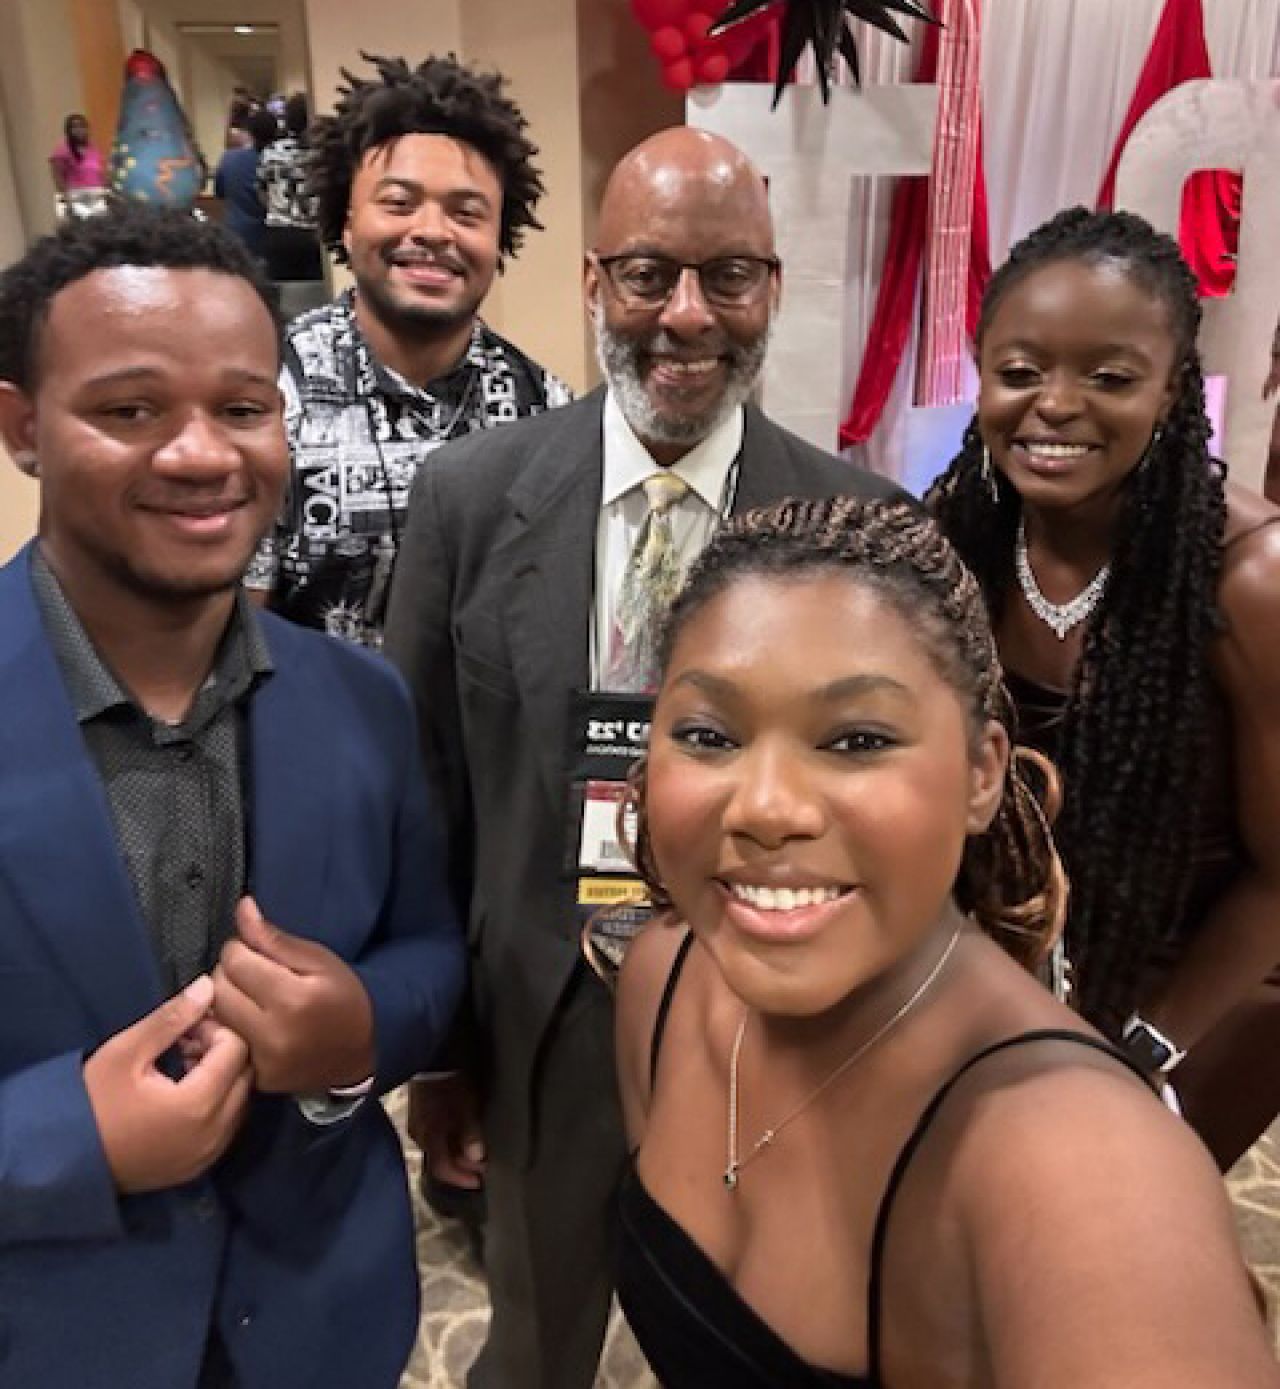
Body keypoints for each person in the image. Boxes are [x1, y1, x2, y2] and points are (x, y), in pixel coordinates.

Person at [383, 126, 904, 1389]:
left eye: (727, 276)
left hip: (768, 1016)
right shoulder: (467, 498)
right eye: (648, 274)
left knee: (762, 1338)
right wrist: (446, 1051)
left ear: (771, 290)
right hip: (541, 1012)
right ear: (591, 282)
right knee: (536, 1339)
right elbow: (427, 792)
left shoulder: (862, 526)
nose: (685, 316)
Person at [614, 493, 1279, 1388]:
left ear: (981, 772)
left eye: (856, 738)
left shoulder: (1090, 1180)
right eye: (708, 734)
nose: (767, 806)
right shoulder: (660, 977)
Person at [0, 204, 464, 1388]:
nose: (202, 452)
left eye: (244, 408)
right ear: (23, 429)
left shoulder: (364, 699)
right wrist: (65, 1140)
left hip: (325, 1318)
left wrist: (358, 1029)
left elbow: (427, 951)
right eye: (129, 410)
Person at [928, 207, 1280, 1172]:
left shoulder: (1251, 579)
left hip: (1193, 996)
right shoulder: (955, 535)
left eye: (1110, 377)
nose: (1055, 405)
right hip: (998, 978)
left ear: (1171, 390)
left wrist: (1142, 1046)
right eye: (1020, 371)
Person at [245, 52, 571, 649]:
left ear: (500, 236)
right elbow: (233, 632)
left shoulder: (544, 409)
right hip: (316, 730)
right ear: (346, 222)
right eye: (398, 203)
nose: (432, 231)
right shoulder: (268, 391)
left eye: (466, 213)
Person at [257, 92, 324, 283]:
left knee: (282, 297)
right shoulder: (321, 153)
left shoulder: (271, 152)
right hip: (313, 233)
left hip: (279, 231)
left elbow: (262, 192)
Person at [214, 106, 278, 257]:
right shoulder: (277, 162)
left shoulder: (229, 158)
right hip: (272, 238)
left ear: (250, 133)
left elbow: (220, 192)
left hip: (236, 235)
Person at [49, 112, 106, 194]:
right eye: (75, 127)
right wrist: (65, 196)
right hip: (76, 197)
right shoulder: (63, 150)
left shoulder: (93, 149)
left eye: (82, 126)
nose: (79, 130)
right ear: (68, 130)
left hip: (97, 195)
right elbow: (57, 177)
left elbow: (99, 174)